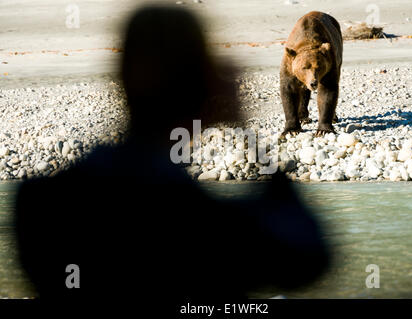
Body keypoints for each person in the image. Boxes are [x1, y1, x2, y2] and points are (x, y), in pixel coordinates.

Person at [15, 5, 330, 306]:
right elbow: (307, 259)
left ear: (121, 78)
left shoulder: (38, 203)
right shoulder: (213, 227)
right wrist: (243, 127)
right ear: (205, 87)